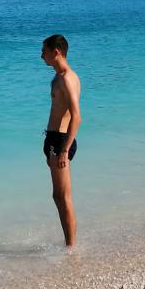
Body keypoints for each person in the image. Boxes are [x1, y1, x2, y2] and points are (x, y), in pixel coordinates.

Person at [40, 34, 82, 247]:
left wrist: (64, 150)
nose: (41, 56)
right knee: (58, 197)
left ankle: (71, 247)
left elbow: (77, 116)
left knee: (63, 198)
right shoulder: (57, 78)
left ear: (56, 52)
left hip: (61, 141)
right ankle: (69, 244)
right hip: (53, 140)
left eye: (44, 52)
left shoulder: (67, 78)